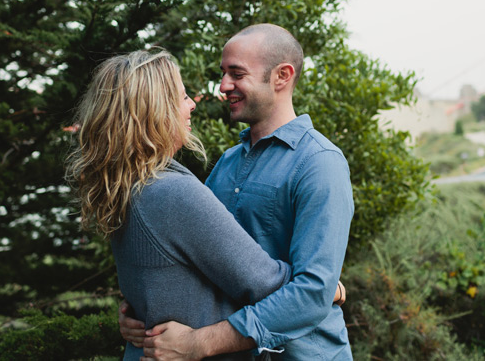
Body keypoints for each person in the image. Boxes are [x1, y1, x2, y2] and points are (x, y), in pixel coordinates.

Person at [123, 24, 355, 360]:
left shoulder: (319, 163)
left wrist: (199, 343)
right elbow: (200, 263)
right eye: (223, 73)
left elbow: (312, 294)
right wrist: (138, 309)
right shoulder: (228, 162)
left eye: (237, 74)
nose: (223, 86)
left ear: (282, 76)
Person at [67, 49, 295, 361]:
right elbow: (264, 284)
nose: (190, 106)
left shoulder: (129, 187)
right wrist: (329, 290)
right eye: (182, 97)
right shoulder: (170, 192)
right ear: (155, 112)